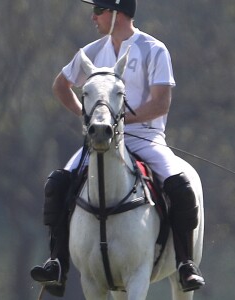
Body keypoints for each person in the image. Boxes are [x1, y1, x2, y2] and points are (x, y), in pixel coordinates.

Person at [30, 0, 205, 297]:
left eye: (99, 10)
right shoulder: (92, 52)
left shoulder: (154, 49)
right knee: (57, 183)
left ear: (117, 14)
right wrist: (91, 118)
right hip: (100, 139)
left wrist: (119, 119)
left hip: (145, 139)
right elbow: (61, 86)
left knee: (181, 185)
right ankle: (57, 263)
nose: (93, 16)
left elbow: (161, 102)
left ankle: (186, 264)